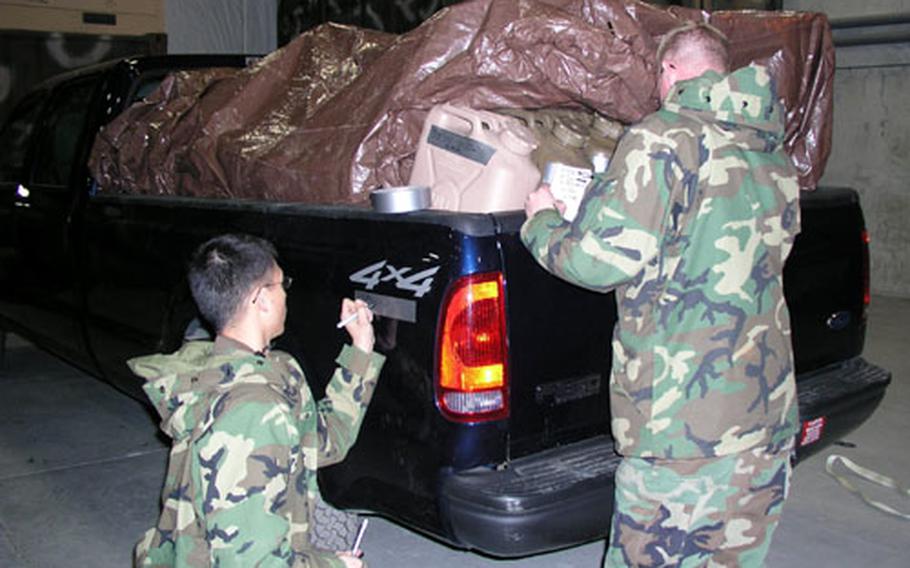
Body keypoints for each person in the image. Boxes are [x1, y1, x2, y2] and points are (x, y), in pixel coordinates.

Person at [522, 22, 801, 567]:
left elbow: (595, 262)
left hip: (682, 429)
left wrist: (542, 221)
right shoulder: (771, 149)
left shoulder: (661, 136)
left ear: (669, 71)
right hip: (763, 417)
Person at [130, 233, 384, 567]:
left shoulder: (246, 368)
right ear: (261, 299)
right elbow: (247, 563)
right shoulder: (253, 411)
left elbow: (324, 442)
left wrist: (361, 350)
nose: (285, 295)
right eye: (281, 284)